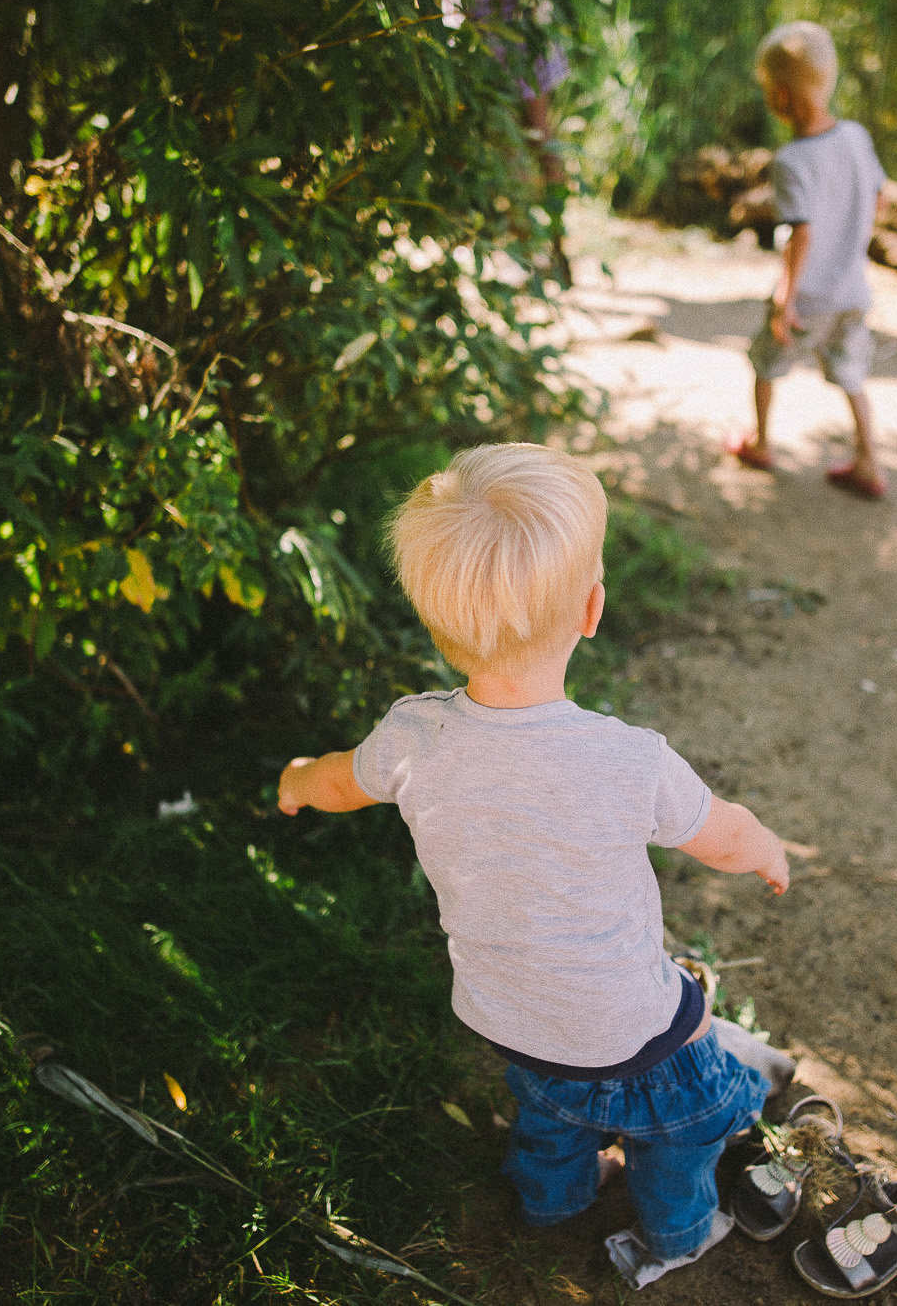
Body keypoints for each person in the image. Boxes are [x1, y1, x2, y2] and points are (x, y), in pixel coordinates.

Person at [277, 443, 795, 1289]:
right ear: (592, 608)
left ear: (438, 624)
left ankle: (552, 1198)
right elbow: (725, 835)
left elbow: (337, 779)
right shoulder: (627, 760)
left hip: (505, 1015)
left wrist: (296, 781)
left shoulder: (412, 737)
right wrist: (768, 849)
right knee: (685, 1126)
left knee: (551, 1111)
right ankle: (678, 1231)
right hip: (634, 1032)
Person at [727, 21, 890, 499]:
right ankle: (869, 462)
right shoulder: (857, 136)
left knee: (766, 363)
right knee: (852, 376)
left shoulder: (792, 161)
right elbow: (878, 200)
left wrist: (785, 297)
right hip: (852, 292)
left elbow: (801, 233)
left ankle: (759, 444)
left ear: (780, 97)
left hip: (810, 298)